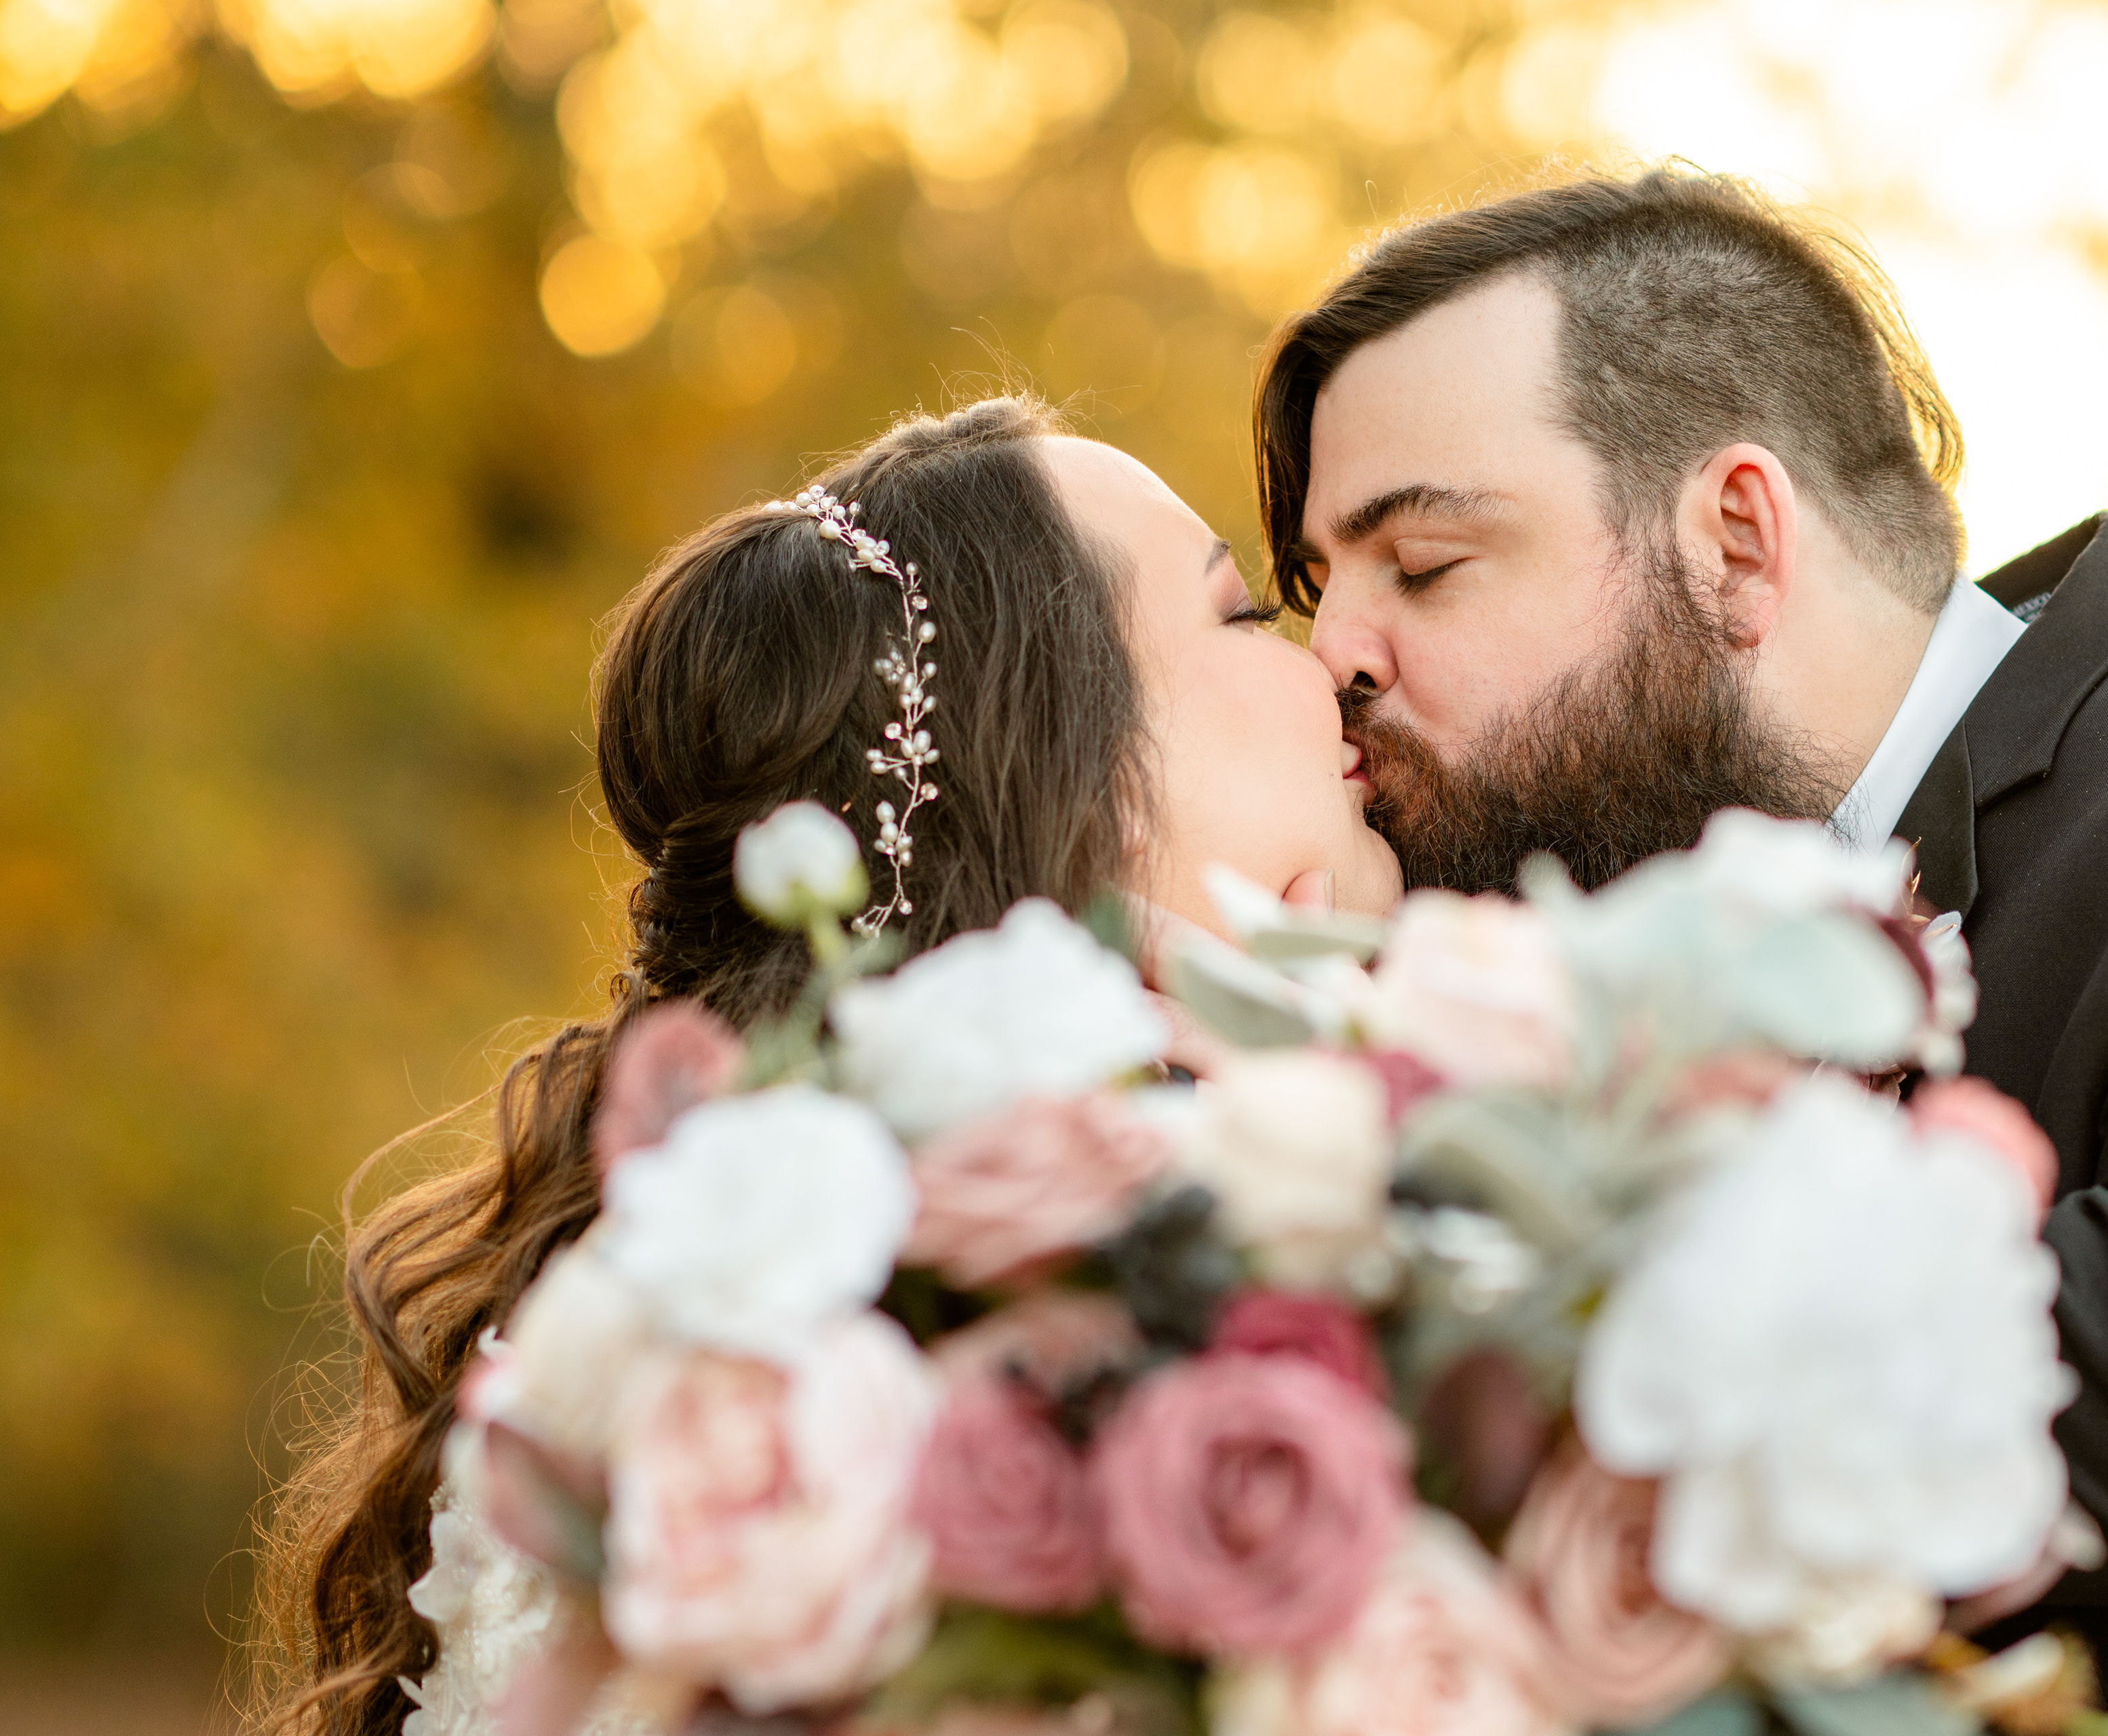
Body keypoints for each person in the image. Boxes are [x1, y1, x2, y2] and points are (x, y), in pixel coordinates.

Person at [1257, 166, 2108, 1731]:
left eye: (1420, 563)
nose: (1334, 655)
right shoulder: (1586, 956)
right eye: (1315, 589)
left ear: (1737, 539)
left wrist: (1424, 1181)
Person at [251, 395, 1399, 1736]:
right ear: (1087, 792)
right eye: (1244, 616)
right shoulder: (942, 1389)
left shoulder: (705, 1307)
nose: (1337, 662)